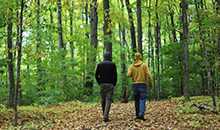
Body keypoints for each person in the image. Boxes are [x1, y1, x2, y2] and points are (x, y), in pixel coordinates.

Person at [127, 52, 152, 121]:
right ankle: (141, 114)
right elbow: (149, 74)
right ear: (140, 57)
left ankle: (137, 115)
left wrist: (133, 73)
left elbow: (128, 75)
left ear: (135, 58)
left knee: (136, 100)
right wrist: (151, 83)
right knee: (142, 99)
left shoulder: (131, 66)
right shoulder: (144, 65)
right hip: (143, 84)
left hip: (135, 84)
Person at [95, 51, 117, 122]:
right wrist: (114, 84)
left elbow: (96, 75)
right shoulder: (112, 64)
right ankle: (105, 116)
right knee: (108, 100)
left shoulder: (100, 64)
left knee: (103, 99)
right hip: (110, 84)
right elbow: (115, 75)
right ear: (109, 57)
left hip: (102, 84)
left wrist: (99, 82)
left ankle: (104, 114)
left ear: (104, 57)